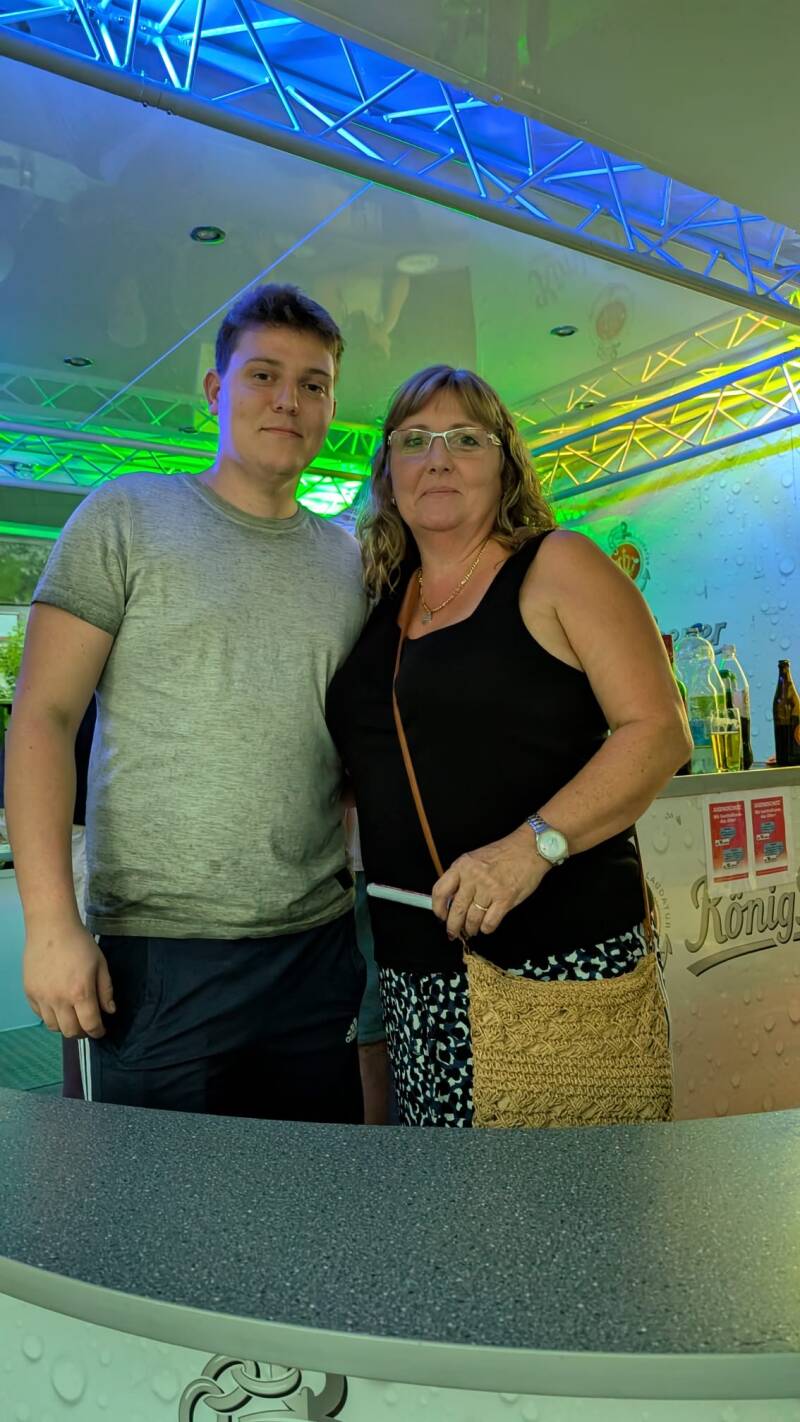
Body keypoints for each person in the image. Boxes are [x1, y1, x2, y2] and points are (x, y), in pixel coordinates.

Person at [6, 284, 369, 1123]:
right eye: (263, 375)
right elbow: (43, 719)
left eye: (313, 384)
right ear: (215, 390)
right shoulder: (127, 516)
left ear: (330, 406)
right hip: (155, 958)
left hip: (314, 950)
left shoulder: (349, 563)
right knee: (147, 1204)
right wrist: (51, 925)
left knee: (315, 1196)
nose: (288, 400)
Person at [326, 365, 692, 1128]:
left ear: (505, 464)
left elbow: (658, 731)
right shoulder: (382, 599)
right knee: (445, 1195)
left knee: (577, 1192)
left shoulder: (558, 564)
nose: (438, 459)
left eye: (466, 439)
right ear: (387, 471)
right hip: (416, 977)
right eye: (414, 440)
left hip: (557, 966)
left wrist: (531, 847)